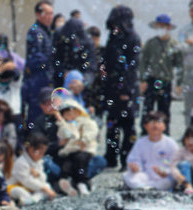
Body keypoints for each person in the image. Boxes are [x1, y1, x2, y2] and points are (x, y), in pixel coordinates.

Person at [103, 5, 141, 170]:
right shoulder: (113, 37)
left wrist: (125, 89)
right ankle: (111, 157)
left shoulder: (132, 38)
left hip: (126, 88)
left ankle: (127, 158)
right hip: (111, 87)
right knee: (112, 124)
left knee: (128, 125)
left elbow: (132, 67)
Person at [139, 14, 184, 132]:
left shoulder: (174, 45)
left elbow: (179, 65)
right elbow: (143, 62)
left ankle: (164, 134)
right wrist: (142, 80)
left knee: (164, 111)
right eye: (158, 26)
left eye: (163, 26)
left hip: (166, 81)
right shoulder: (150, 43)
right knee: (147, 110)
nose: (161, 28)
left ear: (168, 27)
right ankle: (145, 134)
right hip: (151, 80)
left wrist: (179, 83)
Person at [123, 111, 179, 190]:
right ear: (145, 126)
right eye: (152, 122)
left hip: (163, 176)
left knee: (168, 181)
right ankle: (143, 188)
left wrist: (166, 172)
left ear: (164, 126)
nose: (155, 125)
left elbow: (175, 163)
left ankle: (150, 189)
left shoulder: (170, 143)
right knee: (127, 175)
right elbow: (134, 159)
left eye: (159, 122)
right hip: (145, 175)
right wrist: (135, 167)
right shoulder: (140, 142)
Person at [55, 99, 99, 196]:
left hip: (85, 149)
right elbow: (64, 134)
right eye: (67, 115)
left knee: (80, 161)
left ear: (79, 111)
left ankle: (82, 183)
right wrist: (61, 122)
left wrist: (84, 140)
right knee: (67, 163)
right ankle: (66, 181)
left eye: (73, 113)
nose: (71, 116)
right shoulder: (67, 125)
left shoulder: (87, 122)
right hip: (71, 150)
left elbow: (92, 131)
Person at [22, 1, 55, 124]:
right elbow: (36, 59)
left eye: (52, 13)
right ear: (38, 14)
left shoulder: (47, 31)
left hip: (46, 79)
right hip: (38, 81)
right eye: (47, 13)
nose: (50, 17)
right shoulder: (35, 31)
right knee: (37, 117)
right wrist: (54, 57)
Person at [7, 132, 57, 205]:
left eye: (43, 153)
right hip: (16, 186)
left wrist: (38, 175)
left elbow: (43, 178)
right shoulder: (21, 162)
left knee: (47, 185)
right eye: (39, 153)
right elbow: (26, 181)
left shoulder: (38, 161)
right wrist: (44, 188)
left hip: (32, 188)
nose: (41, 156)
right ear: (31, 149)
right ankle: (33, 198)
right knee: (19, 191)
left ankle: (33, 199)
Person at [51, 16, 96, 88]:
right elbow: (53, 58)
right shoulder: (59, 34)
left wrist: (83, 82)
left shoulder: (88, 43)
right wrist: (63, 72)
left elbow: (91, 68)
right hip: (58, 80)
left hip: (78, 83)